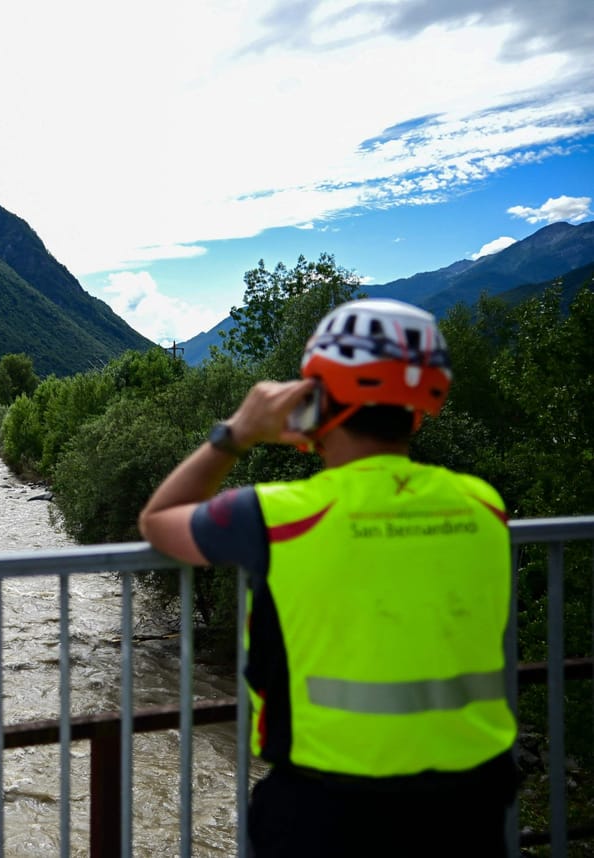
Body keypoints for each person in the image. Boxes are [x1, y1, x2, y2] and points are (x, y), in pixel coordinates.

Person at [137, 298, 518, 857]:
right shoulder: (484, 505)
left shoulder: (276, 515)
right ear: (419, 407)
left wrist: (238, 433)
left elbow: (156, 520)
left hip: (329, 809)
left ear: (319, 399)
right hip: (471, 802)